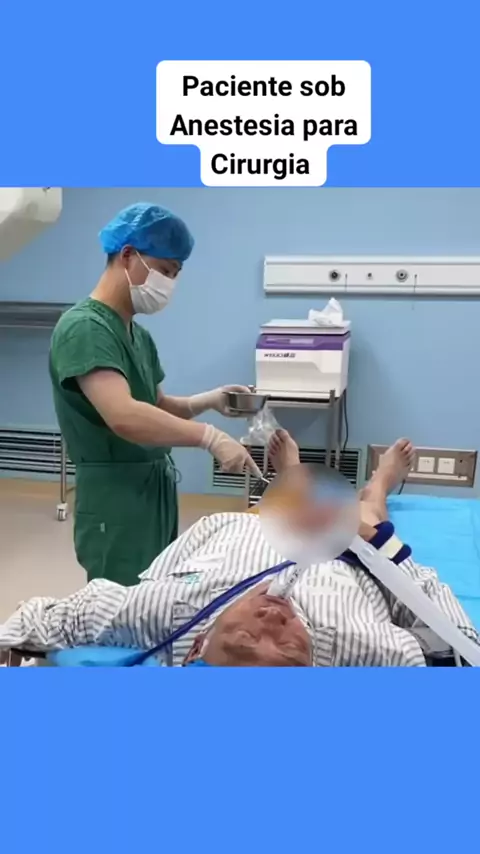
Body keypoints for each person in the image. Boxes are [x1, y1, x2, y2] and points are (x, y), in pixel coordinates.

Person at [1, 432, 478, 666]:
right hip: (346, 557)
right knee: (366, 513)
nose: (272, 620)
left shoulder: (169, 611)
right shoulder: (368, 650)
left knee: (277, 505)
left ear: (197, 647)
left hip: (245, 536)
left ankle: (290, 477)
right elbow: (459, 647)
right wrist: (381, 544)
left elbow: (62, 616)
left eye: (245, 637)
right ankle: (380, 482)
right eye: (290, 648)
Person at [49, 202, 261, 587]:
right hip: (116, 498)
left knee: (155, 596)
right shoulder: (85, 328)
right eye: (164, 270)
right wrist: (209, 438)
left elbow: (156, 406)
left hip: (151, 491)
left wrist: (208, 400)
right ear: (128, 255)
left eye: (175, 275)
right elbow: (124, 416)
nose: (168, 284)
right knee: (124, 605)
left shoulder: (137, 335)